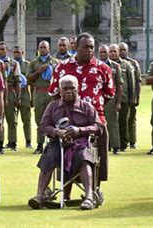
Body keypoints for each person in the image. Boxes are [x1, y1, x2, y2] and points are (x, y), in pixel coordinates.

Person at [48, 32, 115, 188]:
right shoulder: (62, 67)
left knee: (96, 159)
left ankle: (93, 192)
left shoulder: (103, 68)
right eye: (86, 47)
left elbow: (109, 94)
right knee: (67, 158)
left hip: (95, 122)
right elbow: (53, 92)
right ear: (76, 47)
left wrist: (90, 109)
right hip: (67, 123)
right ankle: (66, 193)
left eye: (92, 47)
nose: (90, 50)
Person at [28, 75, 102, 210]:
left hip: (80, 143)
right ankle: (39, 196)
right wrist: (57, 132)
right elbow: (43, 126)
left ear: (77, 89)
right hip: (58, 143)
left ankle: (89, 197)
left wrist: (79, 130)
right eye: (65, 88)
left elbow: (98, 127)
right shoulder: (53, 106)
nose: (68, 91)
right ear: (59, 91)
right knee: (49, 156)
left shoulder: (87, 106)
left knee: (84, 158)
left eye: (72, 88)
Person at [27, 40, 59, 154]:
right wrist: (39, 71)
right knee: (39, 119)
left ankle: (54, 143)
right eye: (40, 47)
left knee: (54, 118)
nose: (42, 49)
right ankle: (40, 145)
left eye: (45, 47)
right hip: (39, 93)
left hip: (52, 94)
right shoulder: (34, 63)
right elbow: (29, 79)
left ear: (49, 49)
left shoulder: (56, 62)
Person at [109, 44, 134, 152]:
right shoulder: (105, 65)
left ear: (118, 52)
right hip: (109, 99)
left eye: (115, 51)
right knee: (111, 122)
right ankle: (111, 143)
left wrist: (132, 98)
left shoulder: (126, 64)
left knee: (123, 122)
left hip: (123, 98)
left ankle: (123, 143)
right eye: (111, 51)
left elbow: (131, 82)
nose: (112, 53)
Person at [98, 44, 123, 154]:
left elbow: (119, 85)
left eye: (105, 52)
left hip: (111, 98)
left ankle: (116, 146)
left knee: (113, 123)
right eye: (101, 52)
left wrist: (118, 102)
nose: (103, 54)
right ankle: (103, 146)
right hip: (98, 98)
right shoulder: (95, 65)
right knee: (98, 123)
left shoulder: (115, 66)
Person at [0, 41, 21, 151]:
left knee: (12, 119)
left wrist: (18, 97)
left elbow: (18, 81)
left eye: (2, 49)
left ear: (7, 50)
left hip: (10, 91)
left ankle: (12, 142)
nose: (0, 51)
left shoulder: (14, 63)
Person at [119, 42, 141, 150]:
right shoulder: (114, 63)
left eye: (124, 50)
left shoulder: (133, 63)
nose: (122, 51)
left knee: (131, 119)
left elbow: (138, 81)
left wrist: (136, 97)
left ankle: (132, 141)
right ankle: (122, 141)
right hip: (121, 97)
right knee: (121, 120)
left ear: (127, 51)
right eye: (121, 49)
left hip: (130, 96)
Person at [13, 45, 32, 149]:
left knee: (27, 119)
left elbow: (31, 81)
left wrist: (32, 97)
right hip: (14, 91)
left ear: (23, 52)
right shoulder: (11, 64)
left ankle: (28, 141)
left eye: (18, 52)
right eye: (15, 52)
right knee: (13, 119)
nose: (16, 54)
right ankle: (13, 142)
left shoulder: (27, 65)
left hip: (25, 92)